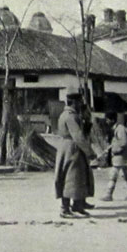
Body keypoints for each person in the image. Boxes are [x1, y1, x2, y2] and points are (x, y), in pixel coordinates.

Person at [54, 87, 96, 218]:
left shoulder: (68, 115)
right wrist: (90, 152)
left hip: (70, 148)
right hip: (72, 149)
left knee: (77, 178)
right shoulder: (70, 117)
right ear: (73, 102)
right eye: (78, 102)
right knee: (70, 178)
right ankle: (65, 209)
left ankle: (77, 205)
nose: (80, 104)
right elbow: (78, 136)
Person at [101, 111, 127, 201]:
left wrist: (116, 150)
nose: (106, 122)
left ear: (112, 120)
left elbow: (124, 142)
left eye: (107, 120)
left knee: (113, 175)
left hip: (119, 156)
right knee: (125, 175)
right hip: (120, 156)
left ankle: (109, 194)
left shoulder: (120, 129)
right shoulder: (118, 128)